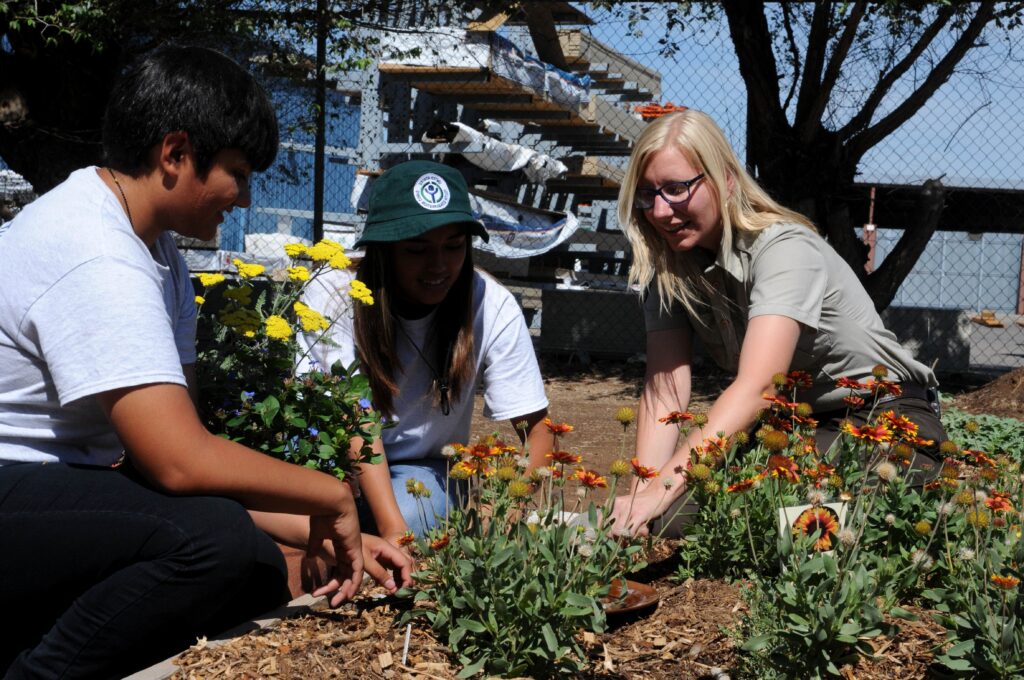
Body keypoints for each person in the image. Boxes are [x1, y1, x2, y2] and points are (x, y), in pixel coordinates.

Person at [0, 45, 410, 680]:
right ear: (174, 153)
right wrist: (332, 498)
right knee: (213, 544)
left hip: (43, 493)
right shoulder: (97, 254)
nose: (243, 198)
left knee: (248, 565)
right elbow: (178, 462)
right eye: (237, 172)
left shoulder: (157, 253)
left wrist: (316, 529)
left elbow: (178, 457)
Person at [607, 109, 946, 537]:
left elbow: (759, 388)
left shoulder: (783, 249)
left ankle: (919, 508)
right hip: (793, 426)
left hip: (885, 417)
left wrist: (663, 488)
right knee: (671, 521)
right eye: (647, 194)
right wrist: (644, 494)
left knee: (795, 521)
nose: (660, 210)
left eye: (676, 189)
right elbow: (664, 392)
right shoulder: (670, 269)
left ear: (726, 180)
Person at [299, 160, 553, 540]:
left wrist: (498, 514)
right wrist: (393, 533)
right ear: (383, 251)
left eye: (454, 246)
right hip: (334, 464)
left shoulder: (490, 303)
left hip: (422, 469)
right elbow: (356, 421)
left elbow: (539, 431)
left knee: (413, 511)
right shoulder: (335, 294)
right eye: (417, 250)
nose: (439, 265)